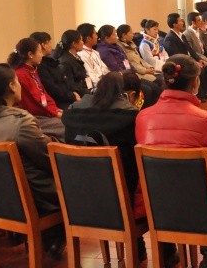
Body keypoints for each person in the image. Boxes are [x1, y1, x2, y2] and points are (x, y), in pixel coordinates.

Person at [136, 55, 207, 268]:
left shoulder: (143, 117)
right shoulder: (205, 119)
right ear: (195, 82)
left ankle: (167, 252)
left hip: (156, 203)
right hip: (199, 206)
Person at [0, 64, 66, 261]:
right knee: (76, 181)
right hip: (34, 196)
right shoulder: (21, 122)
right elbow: (49, 160)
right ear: (11, 86)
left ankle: (44, 237)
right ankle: (54, 236)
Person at [62, 72, 145, 232]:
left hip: (79, 197)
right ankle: (160, 245)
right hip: (122, 201)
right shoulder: (131, 118)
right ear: (131, 95)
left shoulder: (72, 114)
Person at [7, 38, 65, 141]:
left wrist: (55, 109)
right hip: (34, 116)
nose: (42, 55)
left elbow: (44, 93)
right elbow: (32, 103)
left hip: (44, 112)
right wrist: (54, 113)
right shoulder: (20, 74)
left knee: (69, 120)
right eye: (39, 52)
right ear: (30, 54)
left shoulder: (32, 70)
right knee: (65, 126)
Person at [98, 24, 160, 108]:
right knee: (148, 89)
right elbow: (116, 68)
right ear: (106, 38)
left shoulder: (116, 46)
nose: (116, 36)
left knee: (154, 86)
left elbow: (127, 61)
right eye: (114, 34)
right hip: (122, 78)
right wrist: (132, 74)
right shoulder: (105, 51)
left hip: (130, 74)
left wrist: (134, 72)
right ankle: (142, 112)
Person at [163, 13, 207, 102]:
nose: (182, 23)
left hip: (189, 60)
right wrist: (193, 63)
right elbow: (177, 56)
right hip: (181, 63)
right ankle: (198, 95)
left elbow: (190, 50)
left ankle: (205, 92)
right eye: (180, 21)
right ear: (174, 24)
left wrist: (199, 59)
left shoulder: (181, 35)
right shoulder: (170, 38)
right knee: (200, 70)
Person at [30, 31, 80, 110]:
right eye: (49, 42)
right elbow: (53, 89)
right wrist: (72, 96)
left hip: (66, 98)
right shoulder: (40, 66)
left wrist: (73, 94)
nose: (51, 45)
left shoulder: (50, 61)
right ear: (43, 45)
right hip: (59, 103)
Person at [54, 29, 92, 99]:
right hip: (79, 95)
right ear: (74, 44)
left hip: (86, 90)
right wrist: (88, 92)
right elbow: (71, 86)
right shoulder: (65, 62)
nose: (83, 42)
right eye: (81, 40)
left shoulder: (75, 56)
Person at [77, 23, 110, 87]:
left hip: (103, 82)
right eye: (95, 34)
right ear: (88, 38)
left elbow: (105, 69)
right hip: (97, 86)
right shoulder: (81, 55)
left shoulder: (95, 52)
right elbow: (90, 75)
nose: (97, 37)